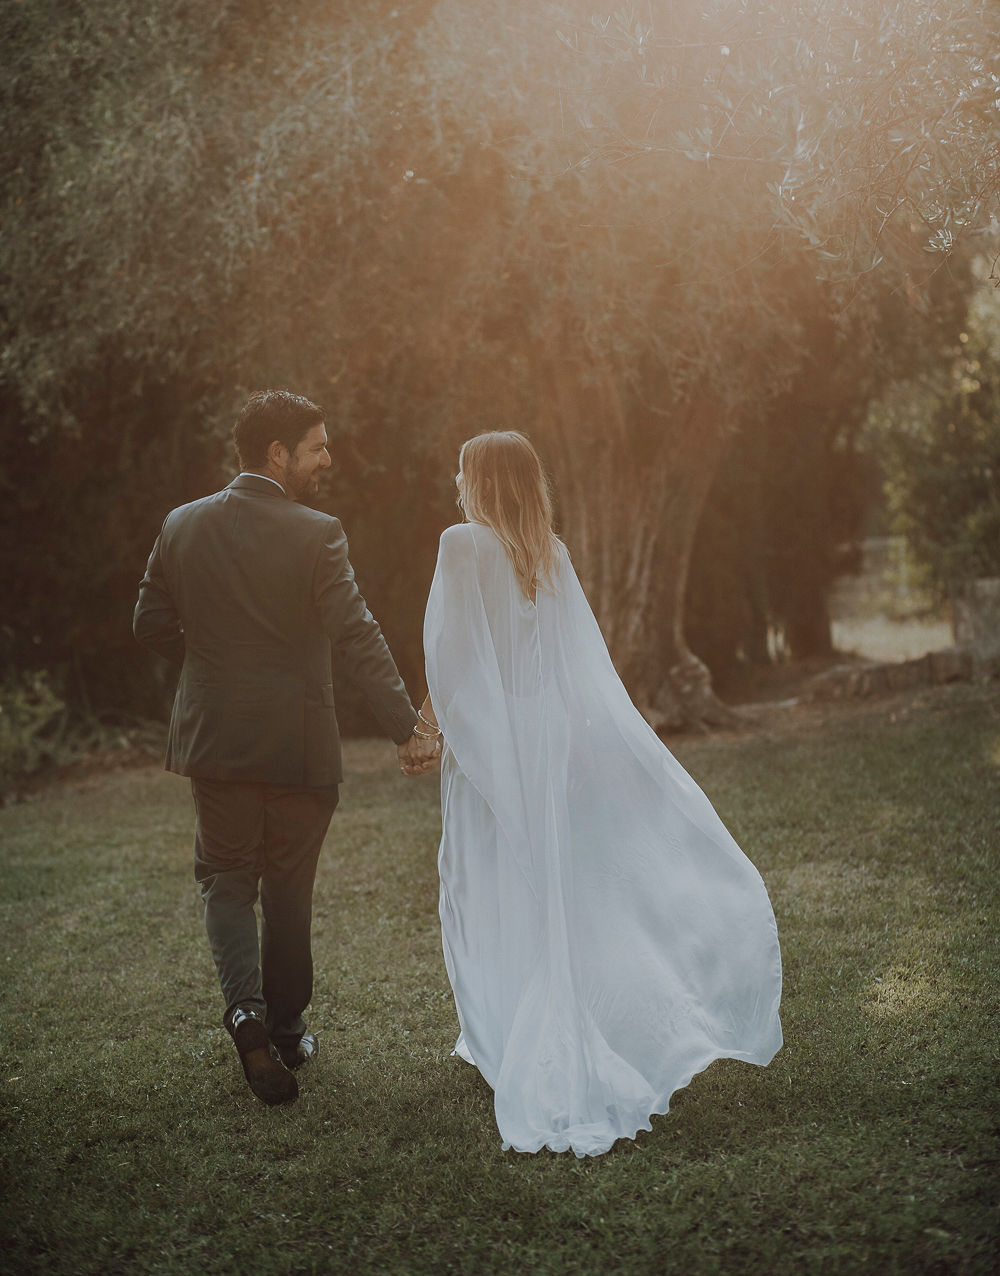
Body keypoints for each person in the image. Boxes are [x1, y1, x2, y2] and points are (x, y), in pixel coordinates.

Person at [418, 430, 782, 1157]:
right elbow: (576, 668)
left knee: (484, 880)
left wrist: (427, 728)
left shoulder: (461, 544)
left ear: (479, 480)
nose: (456, 483)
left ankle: (505, 1033)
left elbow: (452, 659)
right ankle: (508, 1027)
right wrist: (579, 748)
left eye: (462, 471)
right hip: (549, 740)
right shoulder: (549, 553)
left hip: (492, 743)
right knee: (548, 880)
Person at [134, 389, 438, 1106]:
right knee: (289, 890)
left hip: (215, 739)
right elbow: (356, 634)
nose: (328, 459)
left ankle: (246, 1017)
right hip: (298, 744)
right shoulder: (317, 533)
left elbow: (149, 622)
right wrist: (407, 726)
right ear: (277, 453)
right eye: (317, 448)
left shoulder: (181, 524)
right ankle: (289, 1032)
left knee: (227, 880)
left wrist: (213, 660)